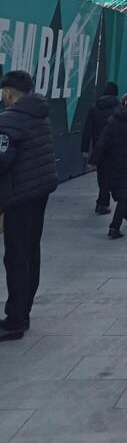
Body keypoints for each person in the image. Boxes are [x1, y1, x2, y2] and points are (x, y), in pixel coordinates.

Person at [0, 70, 58, 342]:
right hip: (39, 193)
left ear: (9, 92)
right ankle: (23, 313)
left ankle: (14, 320)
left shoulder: (10, 120)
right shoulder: (40, 116)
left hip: (19, 196)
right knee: (30, 253)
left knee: (15, 257)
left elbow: (3, 160)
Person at [89, 92, 127, 239]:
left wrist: (94, 160)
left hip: (113, 162)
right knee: (125, 194)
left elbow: (102, 142)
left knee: (122, 193)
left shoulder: (113, 120)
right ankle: (114, 226)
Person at [81, 81, 119, 214]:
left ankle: (103, 201)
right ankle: (106, 202)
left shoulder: (94, 107)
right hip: (115, 148)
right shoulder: (119, 108)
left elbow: (87, 129)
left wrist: (85, 149)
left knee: (102, 174)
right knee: (114, 174)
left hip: (99, 147)